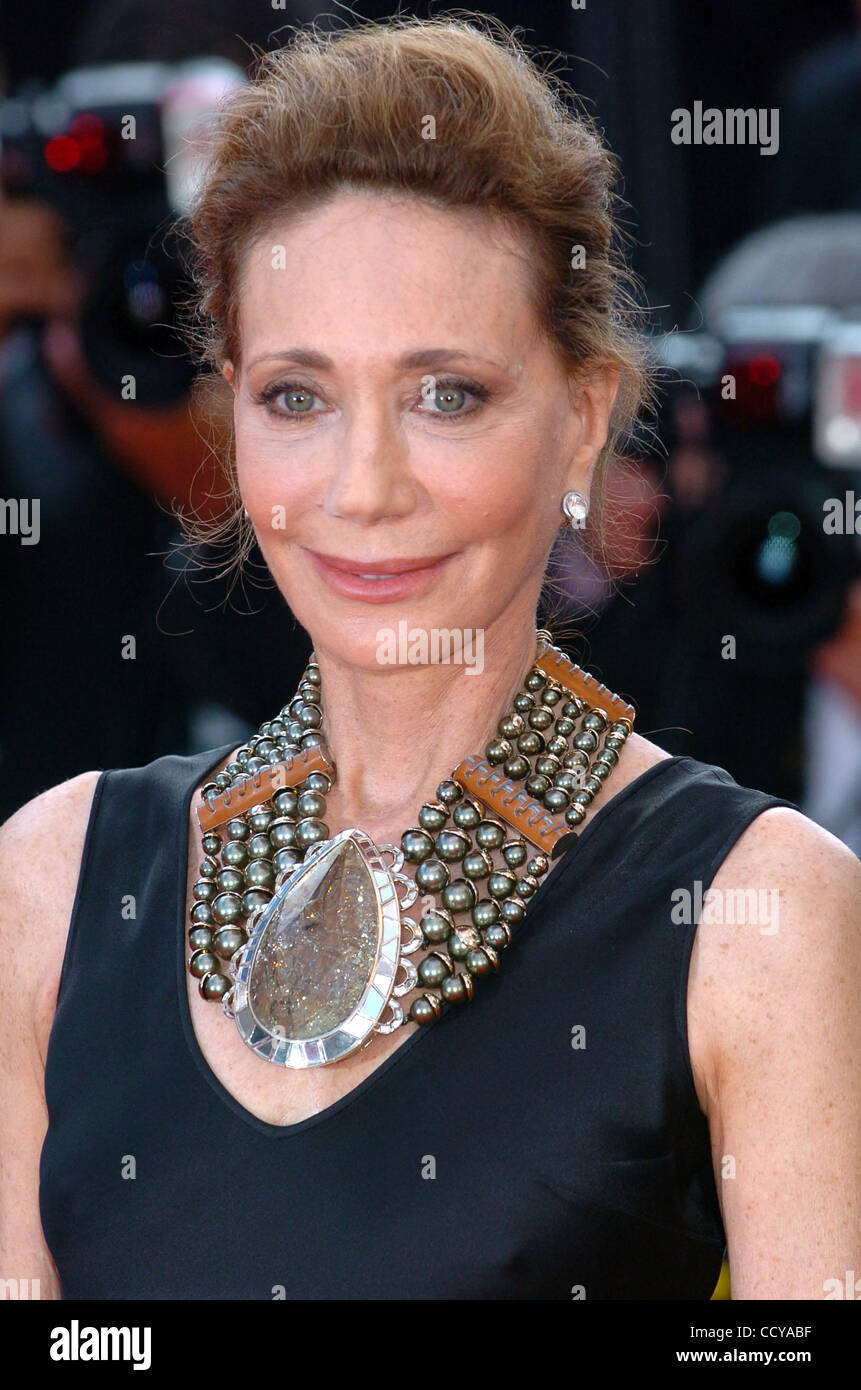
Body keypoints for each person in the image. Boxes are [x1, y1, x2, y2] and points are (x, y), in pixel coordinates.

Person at [1, 14, 859, 1302]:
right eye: (298, 395)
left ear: (580, 427)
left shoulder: (759, 913)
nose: (365, 486)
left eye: (445, 393)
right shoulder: (55, 882)